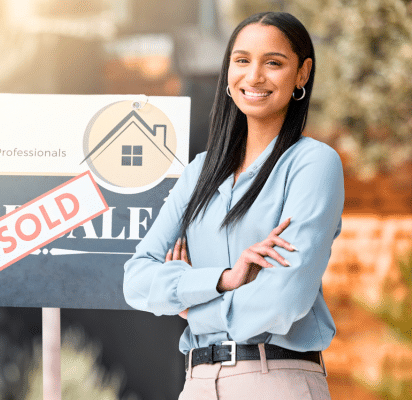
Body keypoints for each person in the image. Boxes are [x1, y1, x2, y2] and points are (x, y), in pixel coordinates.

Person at [123, 11, 344, 400]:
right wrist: (225, 278)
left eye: (273, 63)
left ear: (302, 73)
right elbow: (137, 279)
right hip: (197, 382)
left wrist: (193, 309)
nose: (254, 76)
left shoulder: (313, 164)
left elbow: (283, 301)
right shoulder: (199, 173)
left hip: (274, 378)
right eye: (241, 61)